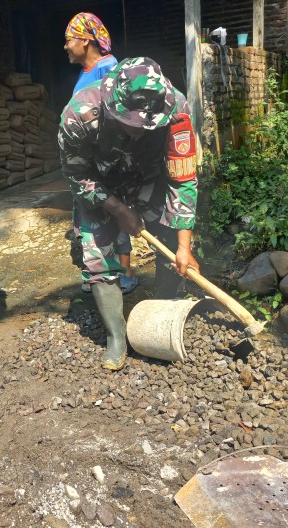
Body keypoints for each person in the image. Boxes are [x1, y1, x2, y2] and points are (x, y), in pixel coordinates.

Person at [58, 57, 200, 371]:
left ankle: (162, 316)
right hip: (99, 185)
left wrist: (184, 247)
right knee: (98, 255)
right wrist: (118, 209)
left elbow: (183, 177)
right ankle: (116, 335)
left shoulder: (177, 111)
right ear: (112, 104)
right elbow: (76, 176)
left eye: (147, 125)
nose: (138, 132)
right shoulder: (80, 114)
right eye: (130, 123)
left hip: (149, 179)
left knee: (170, 241)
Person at [64, 13, 137, 295]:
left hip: (107, 160)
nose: (66, 46)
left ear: (85, 40)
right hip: (85, 161)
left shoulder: (108, 69)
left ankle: (126, 272)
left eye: (69, 40)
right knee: (90, 215)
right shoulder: (85, 72)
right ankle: (99, 271)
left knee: (117, 212)